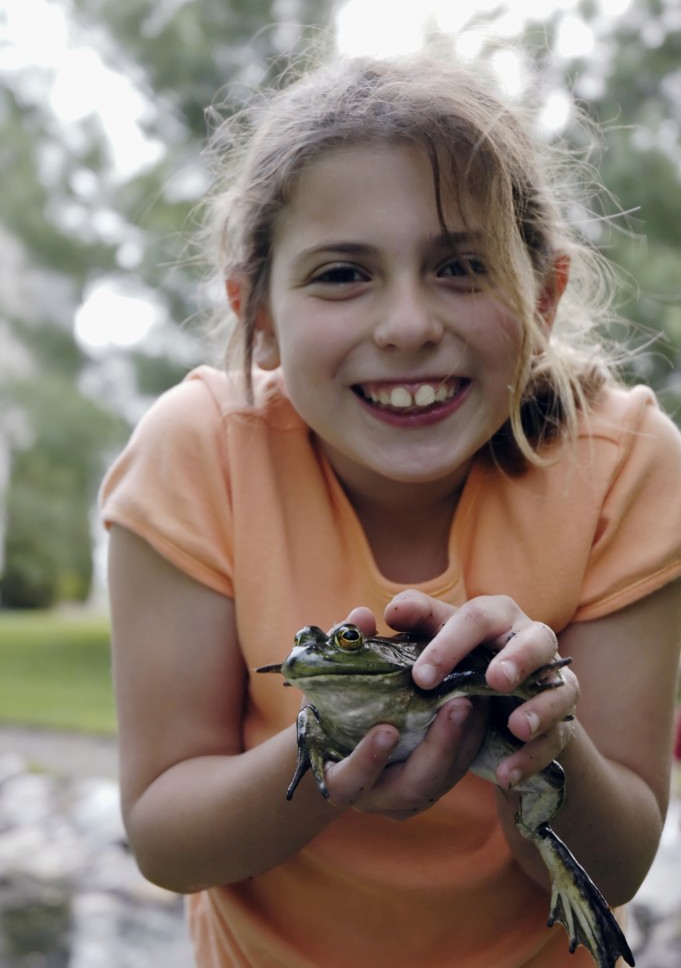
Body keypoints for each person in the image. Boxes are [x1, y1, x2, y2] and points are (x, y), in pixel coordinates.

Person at [100, 50, 681, 968]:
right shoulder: (199, 451)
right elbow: (168, 840)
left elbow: (616, 866)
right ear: (255, 311)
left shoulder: (624, 465)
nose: (407, 324)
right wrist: (329, 758)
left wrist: (541, 738)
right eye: (341, 273)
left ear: (544, 294)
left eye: (459, 266)